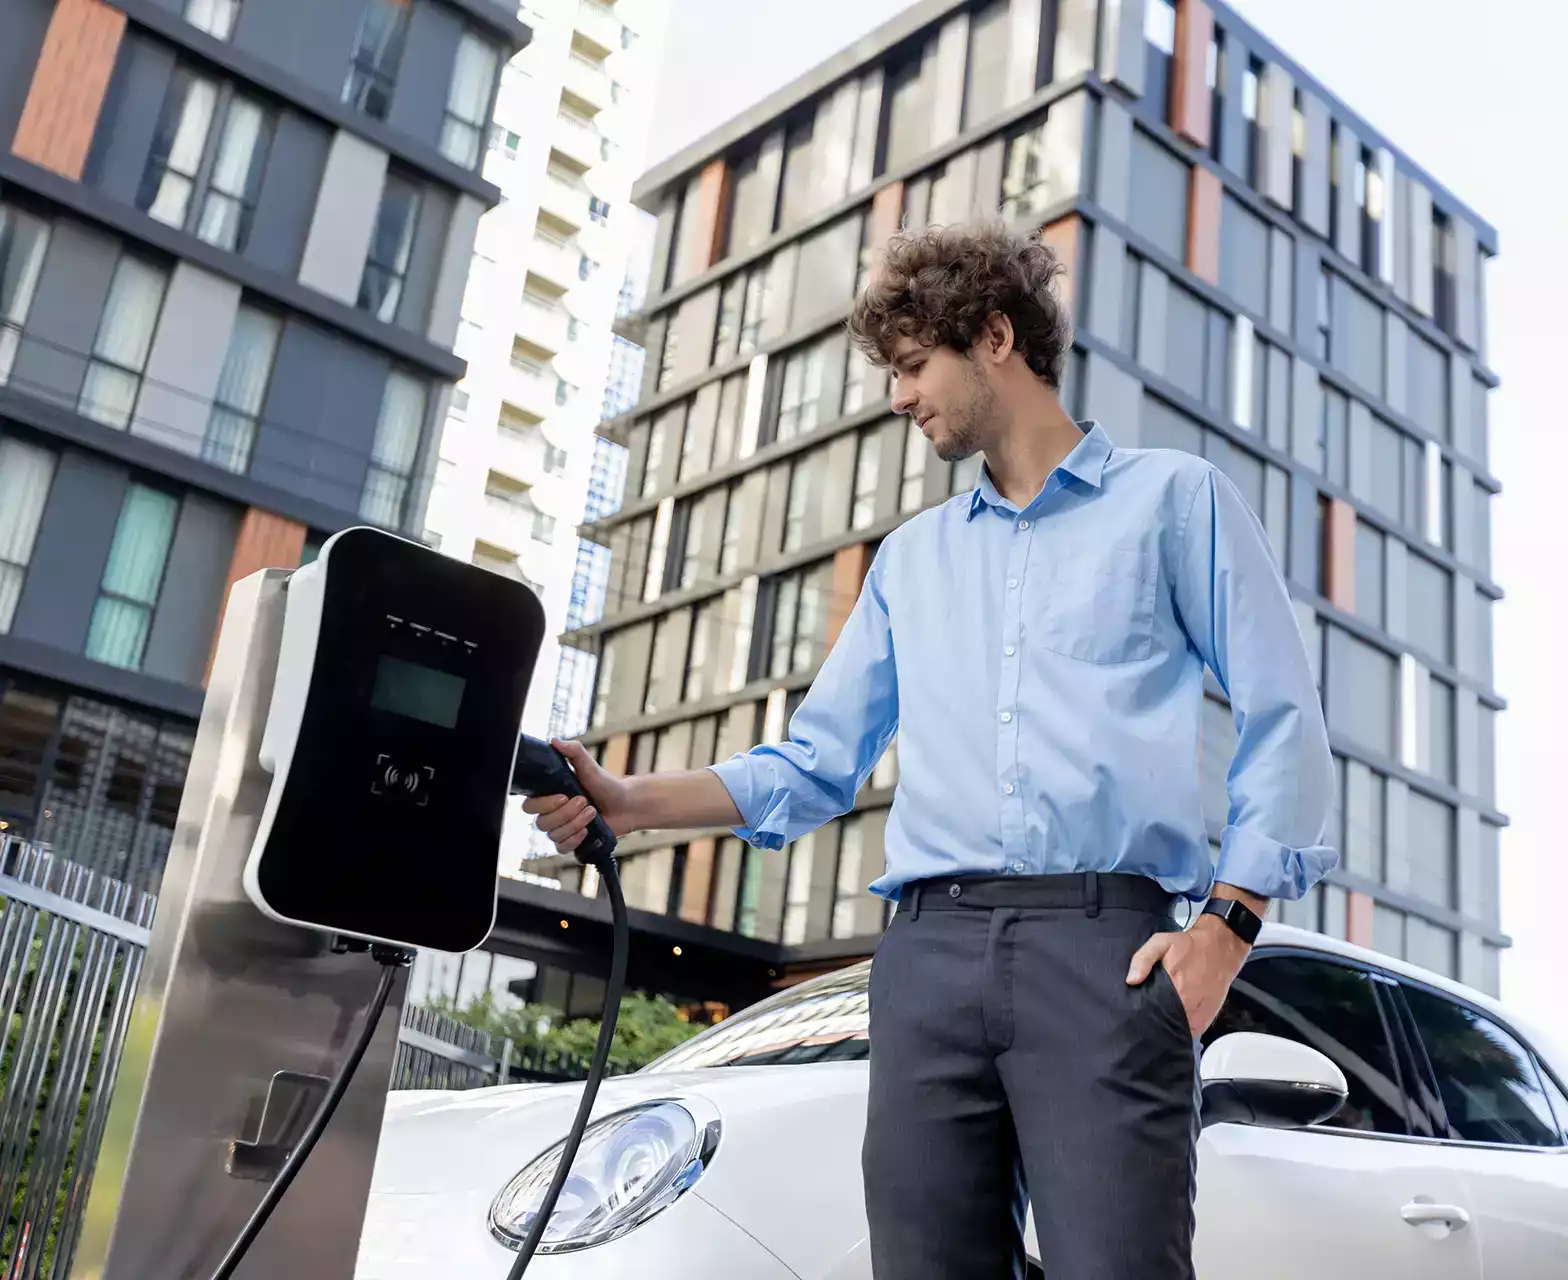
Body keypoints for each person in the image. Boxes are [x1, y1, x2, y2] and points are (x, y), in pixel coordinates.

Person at [524, 220, 1336, 1279]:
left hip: (1106, 956)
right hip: (927, 961)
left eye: (913, 368)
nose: (900, 397)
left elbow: (1286, 716)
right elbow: (813, 762)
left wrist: (1226, 929)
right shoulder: (911, 561)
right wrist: (628, 800)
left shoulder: (1176, 502)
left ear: (995, 335)